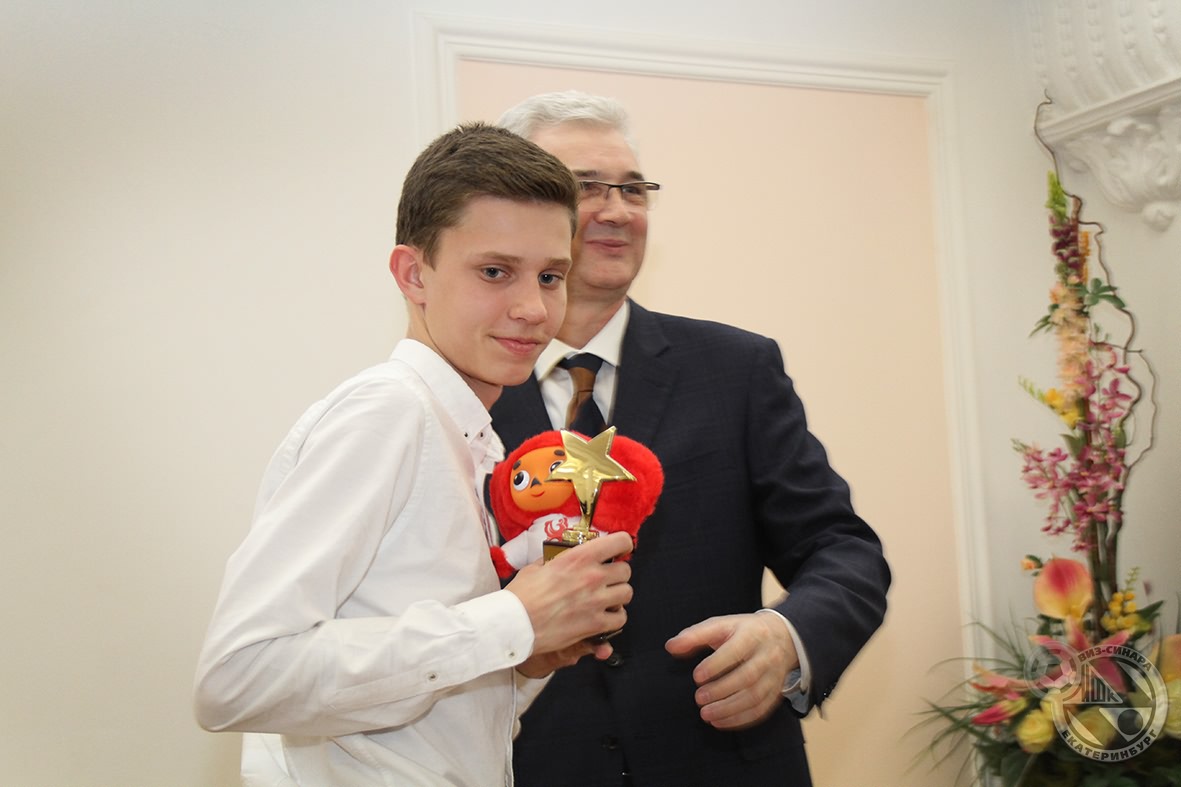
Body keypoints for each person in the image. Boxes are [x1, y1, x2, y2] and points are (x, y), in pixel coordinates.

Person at [193, 122, 637, 787]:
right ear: (413, 274)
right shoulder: (388, 413)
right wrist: (510, 619)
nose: (532, 307)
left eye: (551, 276)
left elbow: (429, 734)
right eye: (495, 271)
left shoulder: (469, 435)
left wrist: (524, 657)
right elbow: (237, 678)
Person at [490, 91, 892, 786]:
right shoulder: (460, 394)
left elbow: (842, 550)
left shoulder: (737, 368)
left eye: (633, 189)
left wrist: (786, 636)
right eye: (587, 187)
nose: (618, 210)